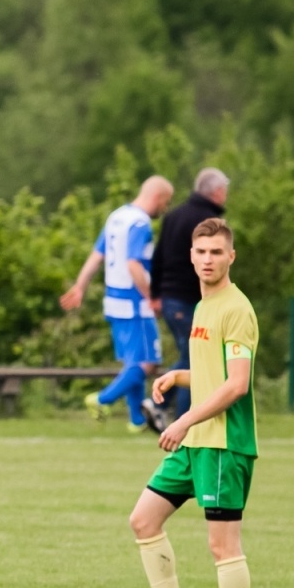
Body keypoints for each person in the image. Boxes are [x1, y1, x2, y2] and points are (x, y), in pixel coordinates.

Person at [124, 218, 259, 588]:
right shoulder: (204, 306)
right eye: (201, 252)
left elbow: (236, 385)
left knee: (223, 546)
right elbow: (213, 375)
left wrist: (182, 420)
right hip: (197, 441)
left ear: (231, 256)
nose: (207, 259)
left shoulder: (236, 308)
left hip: (222, 444)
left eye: (216, 252)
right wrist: (179, 375)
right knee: (144, 520)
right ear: (191, 256)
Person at [60, 176, 173, 433]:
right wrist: (151, 296)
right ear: (157, 197)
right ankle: (102, 399)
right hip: (134, 303)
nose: (164, 209)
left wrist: (80, 286)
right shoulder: (140, 223)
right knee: (148, 363)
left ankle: (136, 420)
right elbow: (133, 264)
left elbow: (97, 255)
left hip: (114, 301)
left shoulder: (117, 217)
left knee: (133, 361)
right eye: (166, 203)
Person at [153, 168, 229, 418]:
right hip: (189, 299)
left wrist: (155, 295)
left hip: (169, 299)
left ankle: (160, 405)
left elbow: (158, 256)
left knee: (191, 355)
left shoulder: (174, 216)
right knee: (195, 359)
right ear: (217, 192)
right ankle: (179, 415)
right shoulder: (209, 223)